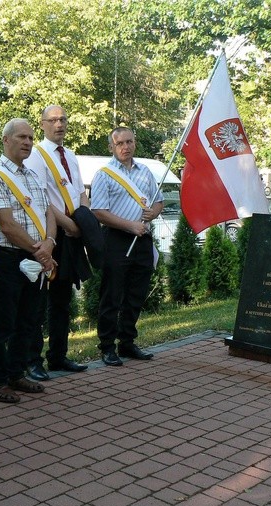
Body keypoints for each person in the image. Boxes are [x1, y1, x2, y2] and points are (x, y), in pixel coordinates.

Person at [0, 118, 56, 403]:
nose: (27, 142)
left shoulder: (33, 176)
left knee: (29, 320)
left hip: (37, 257)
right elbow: (7, 225)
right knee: (3, 323)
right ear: (6, 140)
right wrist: (42, 251)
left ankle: (16, 373)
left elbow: (49, 212)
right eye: (21, 137)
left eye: (30, 138)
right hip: (10, 259)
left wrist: (50, 242)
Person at [23, 105, 94, 380]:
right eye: (52, 120)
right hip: (50, 234)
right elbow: (41, 199)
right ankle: (33, 360)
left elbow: (80, 192)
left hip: (72, 234)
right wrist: (70, 225)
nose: (59, 124)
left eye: (63, 119)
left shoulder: (72, 156)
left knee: (63, 299)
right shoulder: (36, 156)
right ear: (42, 124)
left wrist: (84, 217)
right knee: (39, 300)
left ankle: (58, 356)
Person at [90, 126, 164, 366]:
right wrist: (130, 226)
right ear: (112, 147)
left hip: (142, 239)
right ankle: (107, 346)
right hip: (117, 239)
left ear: (135, 143)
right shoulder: (105, 174)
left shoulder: (146, 172)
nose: (125, 147)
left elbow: (159, 201)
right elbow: (99, 212)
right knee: (112, 295)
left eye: (129, 142)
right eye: (120, 143)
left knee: (136, 294)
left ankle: (128, 342)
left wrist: (152, 213)